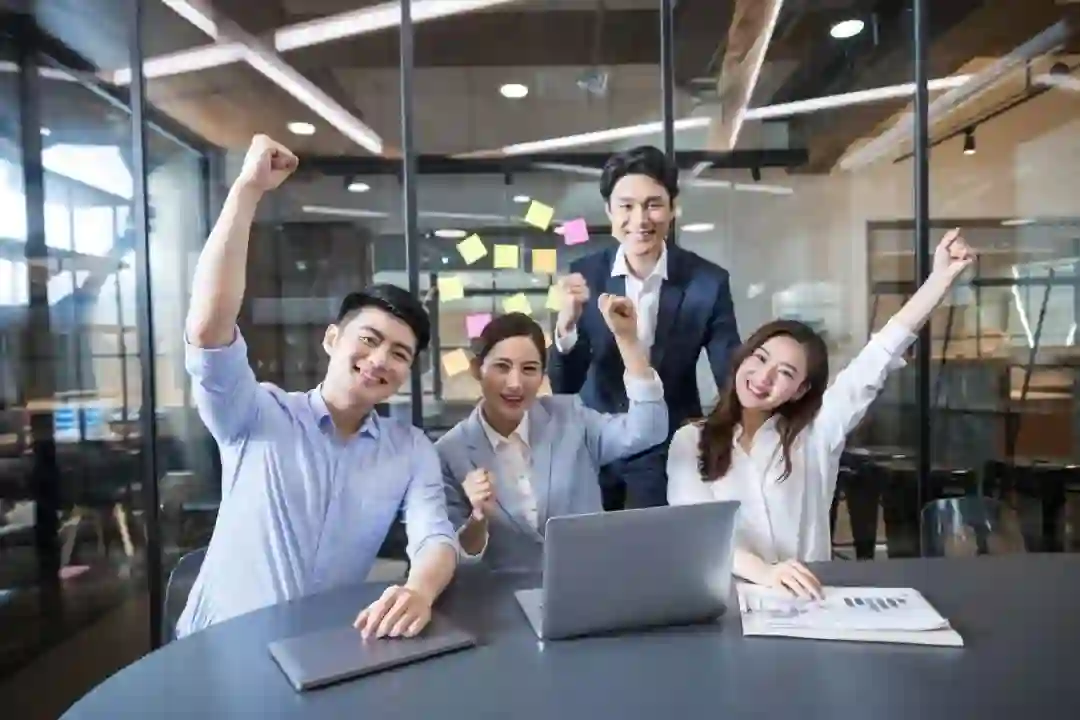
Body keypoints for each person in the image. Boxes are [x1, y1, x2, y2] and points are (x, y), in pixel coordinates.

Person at [176, 134, 457, 639]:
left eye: (399, 354)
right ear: (332, 339)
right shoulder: (256, 413)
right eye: (369, 340)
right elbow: (207, 329)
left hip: (321, 649)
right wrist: (247, 190)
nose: (380, 360)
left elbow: (435, 536)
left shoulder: (409, 449)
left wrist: (419, 590)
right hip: (217, 645)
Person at [666, 229, 976, 598]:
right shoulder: (691, 441)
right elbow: (695, 530)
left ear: (800, 390)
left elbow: (878, 357)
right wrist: (766, 573)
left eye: (785, 373)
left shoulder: (815, 435)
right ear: (742, 358)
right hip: (726, 603)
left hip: (809, 603)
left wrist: (939, 281)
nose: (764, 378)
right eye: (760, 359)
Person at [548, 145, 740, 511]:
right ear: (609, 211)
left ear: (672, 207)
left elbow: (729, 373)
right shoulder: (584, 274)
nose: (640, 219)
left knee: (655, 544)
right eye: (626, 206)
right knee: (589, 542)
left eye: (653, 205)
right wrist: (566, 326)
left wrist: (735, 437)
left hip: (667, 446)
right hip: (595, 442)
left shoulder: (708, 281)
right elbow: (565, 385)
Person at [437, 300, 668, 571]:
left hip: (590, 581)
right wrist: (477, 518)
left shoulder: (571, 417)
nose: (515, 383)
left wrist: (627, 340)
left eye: (529, 369)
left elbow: (648, 429)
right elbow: (455, 559)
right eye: (502, 367)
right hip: (503, 593)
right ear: (477, 370)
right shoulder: (449, 453)